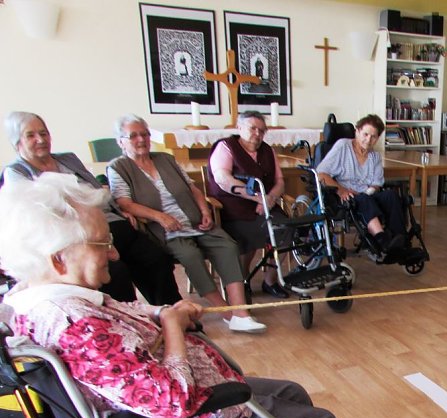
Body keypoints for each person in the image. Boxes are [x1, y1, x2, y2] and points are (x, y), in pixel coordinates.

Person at [0, 175, 373, 418]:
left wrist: (164, 312)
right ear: (58, 257)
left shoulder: (37, 297)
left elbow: (123, 316)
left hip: (183, 399)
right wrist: (174, 328)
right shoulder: (74, 323)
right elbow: (170, 400)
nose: (113, 254)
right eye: (101, 244)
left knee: (292, 392)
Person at [2, 111, 181, 306]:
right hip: (80, 238)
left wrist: (121, 210)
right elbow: (37, 216)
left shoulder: (67, 159)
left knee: (156, 259)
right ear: (17, 142)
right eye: (31, 135)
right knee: (115, 274)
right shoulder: (16, 173)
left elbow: (95, 188)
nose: (40, 139)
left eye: (43, 133)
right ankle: (129, 321)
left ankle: (175, 312)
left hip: (110, 222)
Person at [108, 115, 266, 334]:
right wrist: (160, 217)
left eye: (144, 134)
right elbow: (124, 203)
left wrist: (204, 210)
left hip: (193, 220)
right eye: (133, 136)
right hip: (163, 228)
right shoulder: (119, 167)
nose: (141, 139)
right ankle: (225, 312)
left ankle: (240, 312)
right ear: (120, 141)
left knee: (228, 246)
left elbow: (192, 189)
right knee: (190, 256)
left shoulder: (165, 159)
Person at [207, 110, 291, 298]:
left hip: (266, 205)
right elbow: (222, 178)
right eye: (253, 128)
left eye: (262, 130)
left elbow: (280, 182)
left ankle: (270, 280)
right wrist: (257, 198)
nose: (257, 134)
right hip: (233, 207)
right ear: (239, 128)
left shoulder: (267, 150)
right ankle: (242, 281)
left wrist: (269, 199)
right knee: (248, 235)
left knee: (284, 230)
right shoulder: (226, 147)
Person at [316, 113, 406, 255]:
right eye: (365, 134)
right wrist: (341, 190)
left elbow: (376, 184)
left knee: (391, 195)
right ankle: (382, 240)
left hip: (366, 195)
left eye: (374, 136)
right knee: (364, 200)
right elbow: (321, 173)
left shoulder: (374, 156)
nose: (368, 140)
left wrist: (369, 191)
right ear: (356, 131)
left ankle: (399, 240)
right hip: (345, 196)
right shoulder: (343, 146)